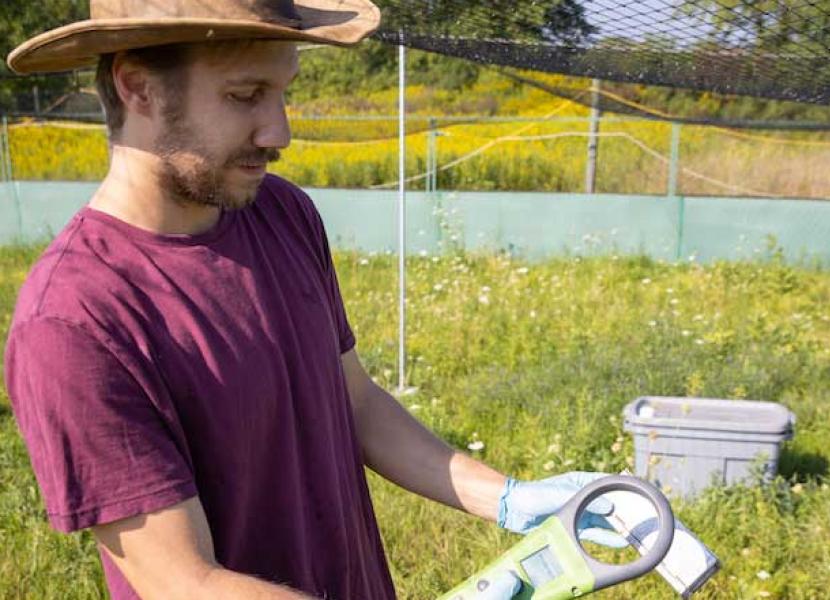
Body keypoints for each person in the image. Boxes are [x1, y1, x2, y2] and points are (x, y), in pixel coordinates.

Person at [4, 2, 623, 598]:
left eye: (283, 92)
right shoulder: (75, 322)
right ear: (138, 87)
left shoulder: (281, 213)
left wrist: (507, 496)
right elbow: (182, 584)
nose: (280, 132)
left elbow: (353, 401)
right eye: (245, 96)